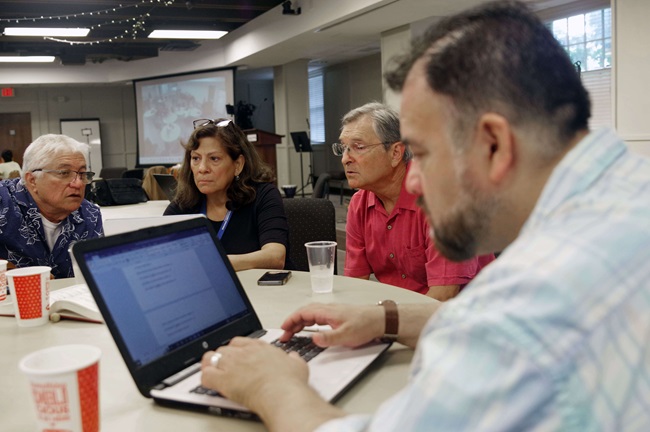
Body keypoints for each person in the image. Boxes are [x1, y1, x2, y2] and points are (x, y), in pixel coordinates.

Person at [198, 1, 650, 430]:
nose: (414, 181)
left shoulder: (535, 299)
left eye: (425, 154)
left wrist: (270, 385)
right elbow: (489, 321)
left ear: (494, 143)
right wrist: (389, 320)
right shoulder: (624, 197)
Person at [337, 102, 494, 300]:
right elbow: (355, 284)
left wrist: (386, 322)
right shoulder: (360, 204)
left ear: (395, 153)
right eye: (344, 148)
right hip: (403, 315)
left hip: (468, 316)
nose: (345, 159)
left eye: (358, 147)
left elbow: (443, 296)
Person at [164, 118, 291, 271]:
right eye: (196, 158)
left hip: (265, 291)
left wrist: (213, 262)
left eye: (214, 158)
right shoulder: (182, 205)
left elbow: (275, 257)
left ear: (238, 165)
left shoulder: (264, 195)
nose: (202, 168)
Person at [0, 134, 103, 279]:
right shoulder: (3, 202)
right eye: (64, 173)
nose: (78, 183)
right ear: (32, 180)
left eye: (82, 174)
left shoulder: (89, 215)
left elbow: (97, 274)